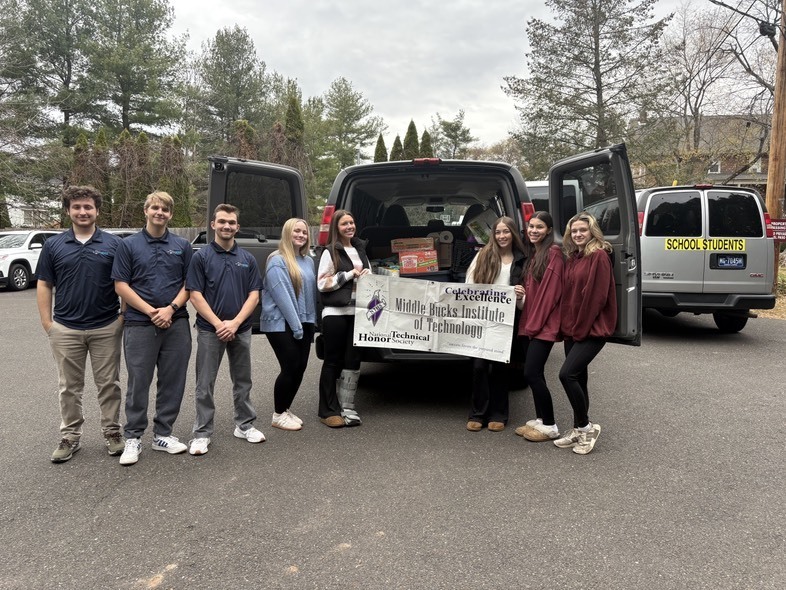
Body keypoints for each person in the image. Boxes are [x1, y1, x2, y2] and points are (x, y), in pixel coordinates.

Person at [36, 185, 125, 463]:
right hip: (65, 328)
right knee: (69, 387)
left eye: (88, 207)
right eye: (77, 207)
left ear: (97, 210)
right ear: (68, 211)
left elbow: (124, 283)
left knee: (109, 384)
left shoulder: (114, 245)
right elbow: (44, 284)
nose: (82, 212)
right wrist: (48, 324)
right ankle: (70, 437)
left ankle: (112, 432)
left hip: (106, 326)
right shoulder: (53, 246)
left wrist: (122, 317)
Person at [111, 191, 193, 466]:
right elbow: (121, 284)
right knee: (138, 382)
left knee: (173, 381)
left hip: (176, 322)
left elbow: (189, 284)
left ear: (171, 214)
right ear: (145, 210)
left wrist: (170, 309)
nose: (160, 212)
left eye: (165, 209)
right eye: (155, 207)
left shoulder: (182, 245)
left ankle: (163, 434)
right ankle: (133, 437)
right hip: (139, 323)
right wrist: (150, 311)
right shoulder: (129, 245)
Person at [186, 204, 265, 455]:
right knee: (205, 382)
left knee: (243, 380)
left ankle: (244, 424)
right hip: (211, 330)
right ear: (213, 225)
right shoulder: (201, 257)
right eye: (222, 222)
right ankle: (202, 432)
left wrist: (234, 323)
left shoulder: (247, 259)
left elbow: (254, 295)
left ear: (237, 227)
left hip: (240, 329)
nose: (227, 226)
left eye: (231, 222)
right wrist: (220, 324)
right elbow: (195, 295)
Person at [553, 212, 617, 455]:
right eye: (574, 231)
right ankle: (580, 429)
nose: (578, 234)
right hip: (573, 329)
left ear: (593, 232)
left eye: (583, 230)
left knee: (566, 374)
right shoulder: (574, 257)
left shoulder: (598, 256)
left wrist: (579, 329)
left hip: (592, 329)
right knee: (579, 378)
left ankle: (586, 427)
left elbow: (596, 298)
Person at [465, 216, 527, 432]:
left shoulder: (522, 260)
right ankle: (478, 413)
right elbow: (469, 285)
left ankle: (499, 414)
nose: (502, 236)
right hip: (482, 320)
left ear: (513, 234)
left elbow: (527, 297)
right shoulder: (482, 255)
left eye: (506, 232)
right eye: (498, 232)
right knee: (479, 367)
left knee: (501, 368)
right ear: (493, 235)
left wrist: (520, 297)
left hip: (507, 323)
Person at [261, 218, 317, 431]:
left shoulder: (308, 260)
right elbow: (282, 295)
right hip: (281, 323)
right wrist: (296, 327)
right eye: (296, 231)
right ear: (287, 233)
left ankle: (285, 409)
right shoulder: (277, 260)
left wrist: (312, 322)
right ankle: (277, 414)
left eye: (304, 232)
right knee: (290, 366)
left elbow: (310, 295)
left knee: (300, 368)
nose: (301, 235)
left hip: (304, 321)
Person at [513, 211, 564, 442]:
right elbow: (534, 289)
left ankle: (551, 424)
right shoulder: (535, 254)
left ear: (549, 230)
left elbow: (550, 294)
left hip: (543, 324)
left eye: (539, 227)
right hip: (531, 321)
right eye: (531, 226)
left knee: (531, 373)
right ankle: (540, 420)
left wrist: (534, 324)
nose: (534, 230)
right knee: (537, 373)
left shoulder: (553, 253)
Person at [317, 209, 370, 428]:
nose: (349, 226)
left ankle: (348, 407)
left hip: (358, 313)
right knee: (332, 361)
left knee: (353, 361)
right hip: (336, 314)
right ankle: (328, 410)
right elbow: (321, 283)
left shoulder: (360, 249)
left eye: (352, 222)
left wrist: (368, 275)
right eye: (344, 224)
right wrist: (348, 275)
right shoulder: (330, 252)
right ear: (336, 228)